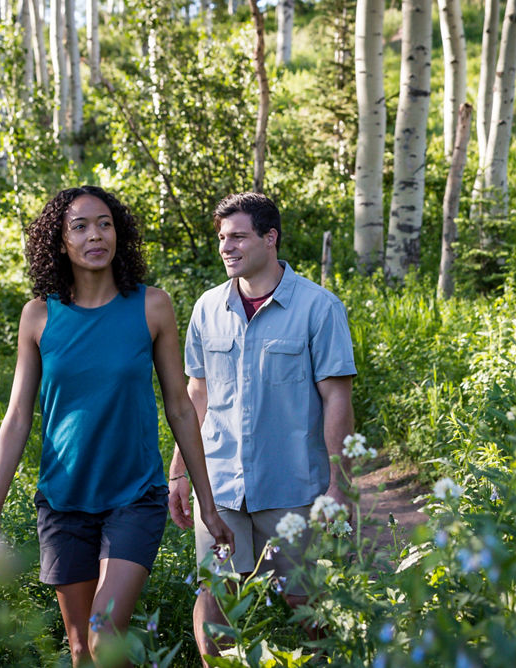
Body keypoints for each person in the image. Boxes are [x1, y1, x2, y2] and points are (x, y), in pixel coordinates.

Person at [0, 185, 234, 667]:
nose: (96, 235)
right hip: (62, 502)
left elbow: (180, 407)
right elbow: (17, 419)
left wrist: (207, 505)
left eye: (105, 223)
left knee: (103, 635)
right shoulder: (38, 316)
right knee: (80, 651)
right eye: (80, 226)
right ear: (60, 242)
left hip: (133, 498)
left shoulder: (151, 306)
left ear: (120, 233)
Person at [166, 192, 357, 663]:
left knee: (305, 602)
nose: (226, 247)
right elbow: (196, 397)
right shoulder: (207, 309)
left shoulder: (319, 307)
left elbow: (337, 399)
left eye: (238, 236)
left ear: (270, 238)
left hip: (293, 488)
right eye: (221, 238)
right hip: (221, 487)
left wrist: (340, 484)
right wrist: (179, 473)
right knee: (216, 601)